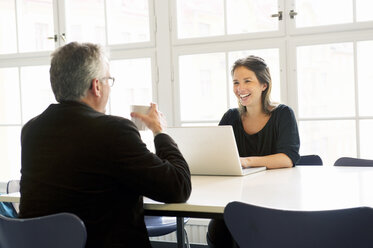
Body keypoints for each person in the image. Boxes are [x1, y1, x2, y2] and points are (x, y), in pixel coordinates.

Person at [19, 42, 191, 248]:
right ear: (96, 86)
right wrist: (159, 132)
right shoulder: (113, 130)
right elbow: (178, 187)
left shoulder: (31, 130)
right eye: (108, 79)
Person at [206, 55, 300, 248]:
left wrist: (246, 161)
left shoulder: (283, 114)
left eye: (247, 81)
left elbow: (287, 158)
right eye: (236, 82)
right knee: (218, 235)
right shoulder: (231, 117)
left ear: (263, 85)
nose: (240, 88)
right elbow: (216, 154)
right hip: (235, 198)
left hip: (273, 200)